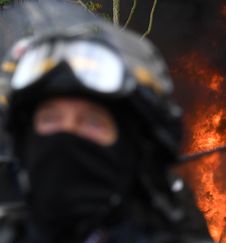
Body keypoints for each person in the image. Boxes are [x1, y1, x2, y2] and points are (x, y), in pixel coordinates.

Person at [0, 1, 212, 243]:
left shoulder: (174, 233)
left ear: (131, 146)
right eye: (50, 118)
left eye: (92, 122)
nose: (68, 133)